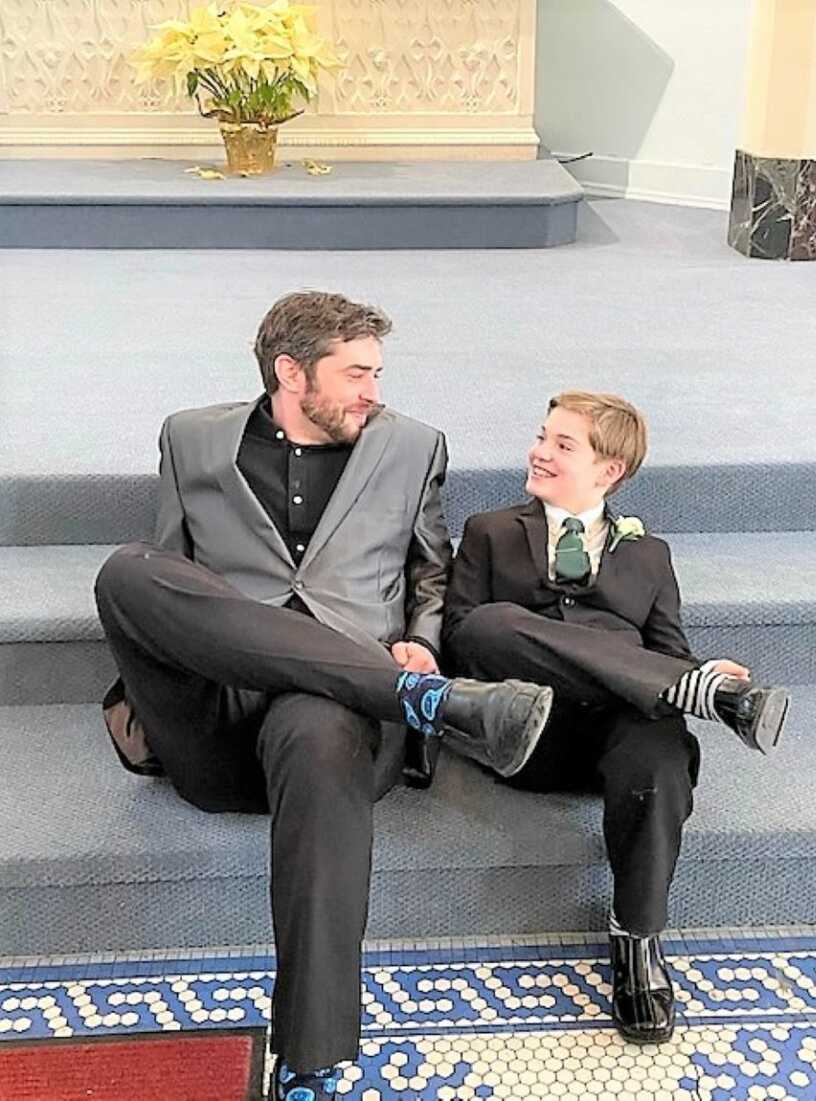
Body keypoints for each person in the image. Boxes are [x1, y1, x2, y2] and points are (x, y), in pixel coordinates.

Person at [93, 291, 553, 1100]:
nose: (374, 390)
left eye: (378, 372)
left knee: (318, 721)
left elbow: (430, 573)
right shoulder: (191, 437)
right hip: (215, 712)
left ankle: (308, 1057)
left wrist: (426, 637)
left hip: (335, 718)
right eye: (356, 373)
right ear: (289, 372)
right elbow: (174, 572)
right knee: (127, 570)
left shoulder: (413, 446)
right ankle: (432, 701)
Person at [442, 390, 790, 1045]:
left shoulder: (650, 554)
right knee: (491, 622)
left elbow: (667, 655)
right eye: (542, 436)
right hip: (527, 722)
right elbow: (461, 635)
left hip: (616, 730)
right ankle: (707, 696)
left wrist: (687, 668)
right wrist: (684, 681)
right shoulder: (489, 531)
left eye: (562, 444)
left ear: (609, 472)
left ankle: (636, 942)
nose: (538, 451)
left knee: (660, 748)